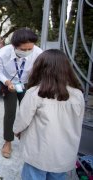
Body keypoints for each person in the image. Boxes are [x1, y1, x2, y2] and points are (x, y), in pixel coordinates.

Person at [13, 49, 85, 180]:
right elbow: (78, 121)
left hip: (38, 153)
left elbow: (22, 120)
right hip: (64, 153)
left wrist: (16, 131)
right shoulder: (78, 95)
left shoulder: (34, 94)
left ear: (39, 69)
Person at [0, 28, 43, 158]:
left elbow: (42, 71)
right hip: (10, 84)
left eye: (30, 49)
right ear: (14, 46)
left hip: (27, 84)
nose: (27, 52)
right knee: (10, 113)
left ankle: (26, 138)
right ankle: (8, 141)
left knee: (29, 112)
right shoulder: (2, 54)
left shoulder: (38, 53)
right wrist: (7, 82)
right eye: (24, 49)